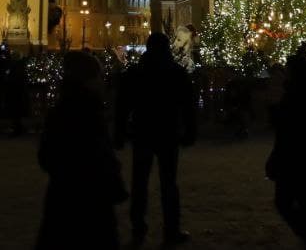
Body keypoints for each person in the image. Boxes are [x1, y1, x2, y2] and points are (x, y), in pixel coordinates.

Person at [37, 51, 126, 250]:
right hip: (91, 201)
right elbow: (101, 156)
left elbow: (46, 156)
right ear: (88, 80)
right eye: (99, 77)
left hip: (61, 198)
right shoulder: (89, 112)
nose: (103, 82)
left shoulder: (61, 109)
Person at [115, 31, 196, 246]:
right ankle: (171, 230)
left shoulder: (136, 72)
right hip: (167, 132)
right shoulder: (176, 72)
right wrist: (189, 132)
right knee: (169, 183)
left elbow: (122, 106)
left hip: (142, 131)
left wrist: (119, 133)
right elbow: (189, 106)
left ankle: (138, 227)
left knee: (139, 181)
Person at [267, 52, 306, 249]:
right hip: (305, 159)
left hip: (296, 159)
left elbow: (288, 130)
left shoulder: (298, 95)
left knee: (290, 201)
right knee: (305, 201)